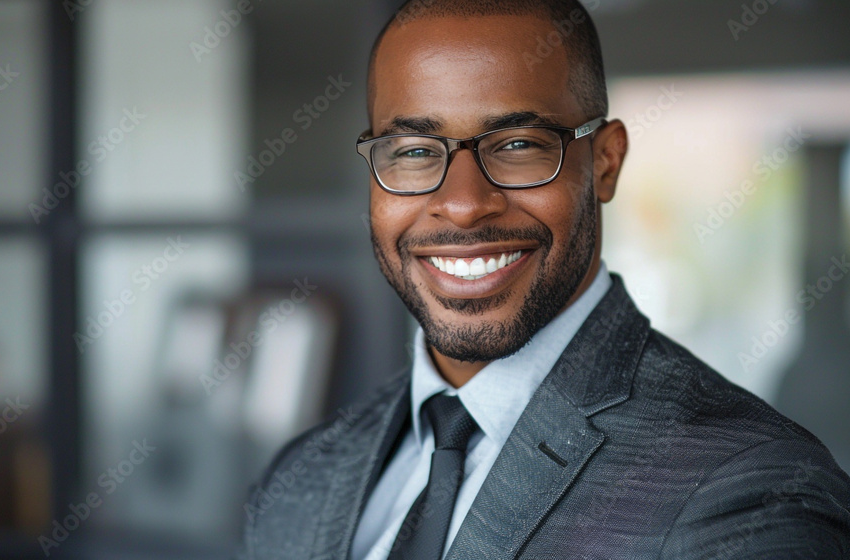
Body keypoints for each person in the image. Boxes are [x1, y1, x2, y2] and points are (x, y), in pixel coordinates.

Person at [235, 1, 850, 558]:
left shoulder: (751, 494)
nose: (464, 203)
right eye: (416, 152)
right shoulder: (301, 479)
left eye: (520, 144)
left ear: (605, 163)